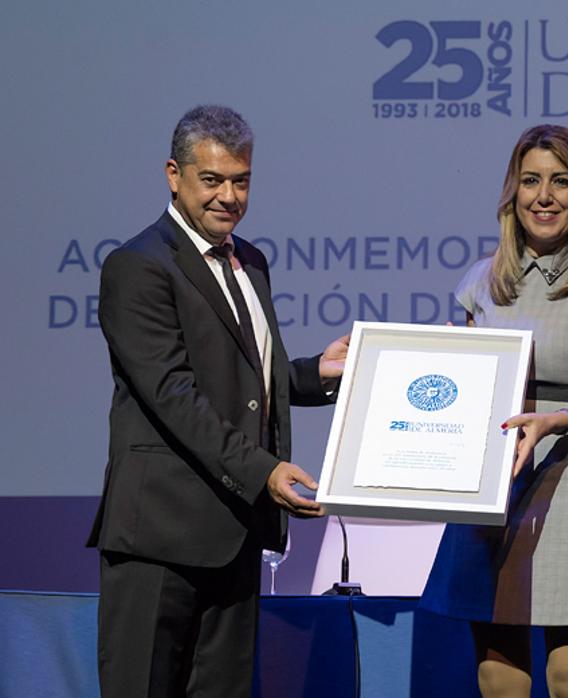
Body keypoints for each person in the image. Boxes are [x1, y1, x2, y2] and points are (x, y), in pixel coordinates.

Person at [88, 105, 346, 696]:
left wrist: (321, 375)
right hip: (159, 537)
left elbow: (253, 381)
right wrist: (265, 471)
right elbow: (174, 394)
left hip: (234, 532)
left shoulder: (250, 261)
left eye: (242, 180)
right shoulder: (137, 266)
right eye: (213, 180)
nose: (229, 196)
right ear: (174, 175)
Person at [420, 124, 568, 698]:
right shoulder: (482, 282)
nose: (544, 196)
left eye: (560, 182)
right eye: (531, 181)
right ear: (513, 191)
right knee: (497, 669)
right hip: (496, 479)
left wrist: (558, 420)